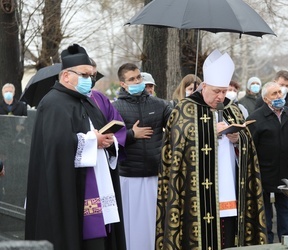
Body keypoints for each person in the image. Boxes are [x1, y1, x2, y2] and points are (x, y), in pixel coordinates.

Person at [156, 49, 267, 249]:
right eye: (216, 91)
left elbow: (249, 149)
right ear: (204, 86)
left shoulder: (232, 109)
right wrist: (207, 131)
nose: (221, 96)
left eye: (224, 91)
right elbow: (176, 147)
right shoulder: (185, 109)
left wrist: (237, 139)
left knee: (229, 236)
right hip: (194, 194)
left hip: (230, 188)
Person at [25, 44, 126, 250]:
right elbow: (56, 144)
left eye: (92, 75)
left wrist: (108, 142)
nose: (90, 79)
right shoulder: (53, 103)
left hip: (98, 179)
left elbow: (100, 132)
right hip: (71, 189)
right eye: (85, 75)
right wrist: (92, 141)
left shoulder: (87, 102)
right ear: (66, 76)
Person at [112, 63, 172, 250]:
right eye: (132, 79)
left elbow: (178, 123)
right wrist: (131, 135)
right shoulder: (115, 107)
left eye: (138, 77)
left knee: (154, 223)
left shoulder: (159, 104)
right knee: (131, 225)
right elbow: (108, 138)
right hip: (129, 176)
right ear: (122, 84)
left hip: (155, 174)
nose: (137, 81)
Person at [247, 81, 288, 243]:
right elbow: (250, 151)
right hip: (263, 174)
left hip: (285, 173)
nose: (279, 96)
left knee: (286, 211)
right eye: (274, 94)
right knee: (264, 214)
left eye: (280, 92)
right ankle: (266, 243)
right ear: (266, 99)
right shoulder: (255, 119)